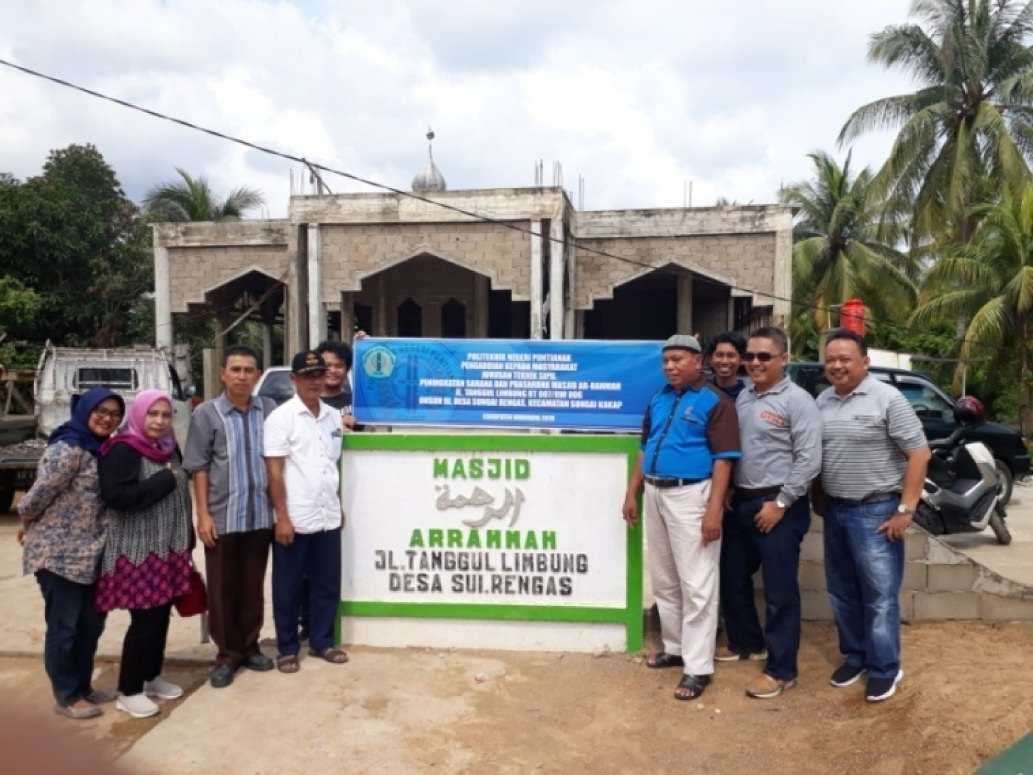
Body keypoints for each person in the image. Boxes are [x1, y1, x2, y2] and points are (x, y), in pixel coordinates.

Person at [621, 334, 741, 701]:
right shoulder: (659, 398)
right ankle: (674, 649)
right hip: (656, 493)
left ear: (697, 360)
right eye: (666, 361)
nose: (670, 366)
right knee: (665, 579)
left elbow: (724, 459)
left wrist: (713, 510)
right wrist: (632, 492)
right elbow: (644, 446)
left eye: (678, 360)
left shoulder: (715, 401)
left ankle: (698, 667)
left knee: (698, 584)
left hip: (692, 495)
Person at [814, 328, 931, 703]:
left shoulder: (888, 399)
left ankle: (885, 668)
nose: (837, 365)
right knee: (842, 591)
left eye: (845, 359)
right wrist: (819, 498)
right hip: (836, 510)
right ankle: (857, 656)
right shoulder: (822, 401)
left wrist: (906, 509)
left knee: (879, 597)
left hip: (876, 511)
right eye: (831, 359)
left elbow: (919, 453)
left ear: (864, 362)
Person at [718, 326, 821, 698]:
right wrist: (730, 489)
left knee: (779, 591)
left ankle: (781, 669)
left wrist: (780, 503)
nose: (755, 362)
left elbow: (809, 459)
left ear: (784, 360)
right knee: (732, 576)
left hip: (779, 505)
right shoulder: (743, 397)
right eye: (751, 356)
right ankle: (748, 642)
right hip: (742, 502)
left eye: (764, 356)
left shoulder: (798, 401)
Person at [17, 388, 125, 719]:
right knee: (64, 627)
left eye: (114, 413)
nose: (107, 418)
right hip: (58, 554)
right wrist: (27, 519)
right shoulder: (68, 448)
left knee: (91, 625)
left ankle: (83, 687)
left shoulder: (102, 449)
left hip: (92, 553)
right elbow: (37, 496)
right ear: (85, 410)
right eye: (101, 411)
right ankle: (66, 695)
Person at [182, 346, 277, 688]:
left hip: (260, 515)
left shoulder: (268, 410)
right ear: (223, 373)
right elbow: (200, 467)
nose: (241, 376)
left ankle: (251, 646)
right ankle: (227, 654)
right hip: (223, 516)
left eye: (248, 370)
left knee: (252, 586)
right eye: (235, 369)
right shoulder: (207, 414)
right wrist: (203, 514)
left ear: (257, 374)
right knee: (222, 589)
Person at [97, 389, 193, 719]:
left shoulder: (167, 447)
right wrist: (164, 482)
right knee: (144, 620)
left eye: (166, 415)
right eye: (153, 414)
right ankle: (130, 689)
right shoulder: (123, 449)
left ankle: (151, 677)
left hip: (168, 547)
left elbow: (182, 492)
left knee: (160, 615)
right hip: (138, 552)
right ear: (139, 416)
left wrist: (187, 538)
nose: (159, 421)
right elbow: (117, 496)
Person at [264, 350, 348, 673]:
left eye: (319, 375)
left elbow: (331, 465)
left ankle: (322, 641)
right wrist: (282, 517)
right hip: (295, 518)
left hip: (327, 514)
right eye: (308, 375)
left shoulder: (332, 417)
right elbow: (275, 472)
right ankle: (287, 648)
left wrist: (338, 505)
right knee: (288, 585)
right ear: (293, 379)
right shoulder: (281, 419)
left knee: (326, 583)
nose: (315, 381)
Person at [706, 331, 748, 399]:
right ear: (711, 359)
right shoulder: (701, 391)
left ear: (741, 360)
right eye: (719, 355)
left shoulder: (746, 397)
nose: (724, 361)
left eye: (731, 356)